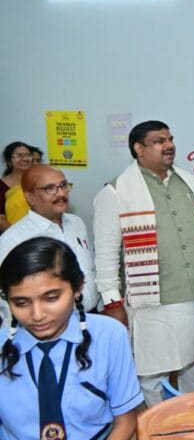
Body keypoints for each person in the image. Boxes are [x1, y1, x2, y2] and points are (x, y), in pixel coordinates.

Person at [93, 120, 194, 406]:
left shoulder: (189, 181)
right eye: (159, 141)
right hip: (152, 300)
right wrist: (113, 303)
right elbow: (105, 255)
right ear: (139, 149)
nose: (169, 145)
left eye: (170, 139)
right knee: (152, 372)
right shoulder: (115, 192)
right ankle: (158, 426)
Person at [0, 237, 143, 439]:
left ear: (77, 289)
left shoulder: (109, 336)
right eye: (21, 303)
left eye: (51, 298)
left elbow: (126, 420)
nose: (37, 314)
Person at [0, 165, 99, 327]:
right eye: (49, 188)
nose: (60, 193)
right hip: (43, 329)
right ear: (30, 197)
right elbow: (7, 298)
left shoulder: (77, 223)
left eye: (63, 186)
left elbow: (89, 270)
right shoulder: (14, 239)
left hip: (89, 319)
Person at [0, 142, 33, 233]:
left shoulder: (40, 180)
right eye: (18, 155)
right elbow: (1, 221)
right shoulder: (2, 186)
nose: (24, 159)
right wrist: (21, 234)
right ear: (9, 161)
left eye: (28, 155)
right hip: (12, 236)